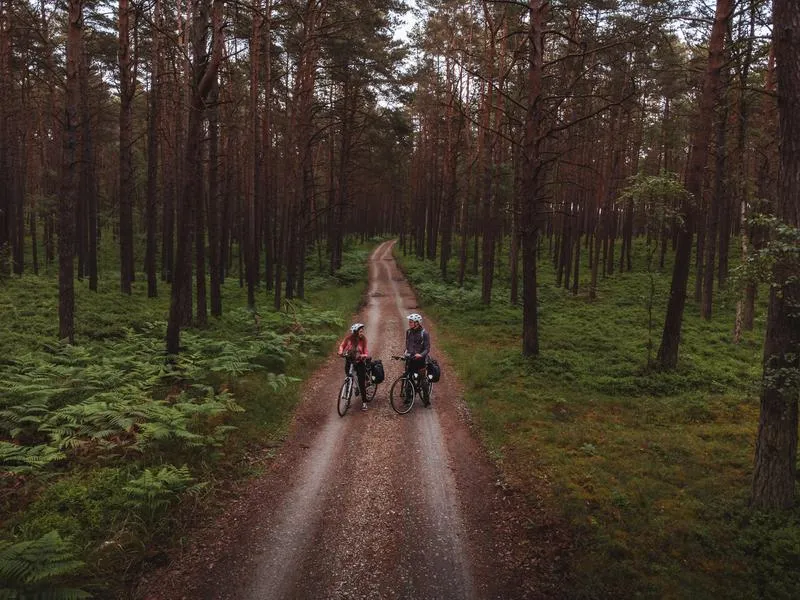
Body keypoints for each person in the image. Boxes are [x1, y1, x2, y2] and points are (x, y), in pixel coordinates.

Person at [338, 322, 370, 411]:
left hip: (360, 362)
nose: (362, 333)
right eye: (360, 331)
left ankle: (364, 403)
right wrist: (340, 351)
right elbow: (342, 346)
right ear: (355, 332)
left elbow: (366, 351)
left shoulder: (363, 339)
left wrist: (364, 355)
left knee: (361, 383)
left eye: (362, 331)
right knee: (349, 378)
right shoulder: (348, 339)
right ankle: (348, 401)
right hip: (349, 361)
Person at [404, 313, 431, 406]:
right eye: (409, 322)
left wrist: (421, 355)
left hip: (420, 360)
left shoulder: (424, 333)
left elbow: (427, 348)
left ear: (417, 323)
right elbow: (407, 345)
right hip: (410, 358)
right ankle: (408, 398)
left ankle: (426, 400)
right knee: (408, 378)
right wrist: (405, 352)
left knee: (423, 379)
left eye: (411, 322)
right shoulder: (408, 332)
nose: (409, 323)